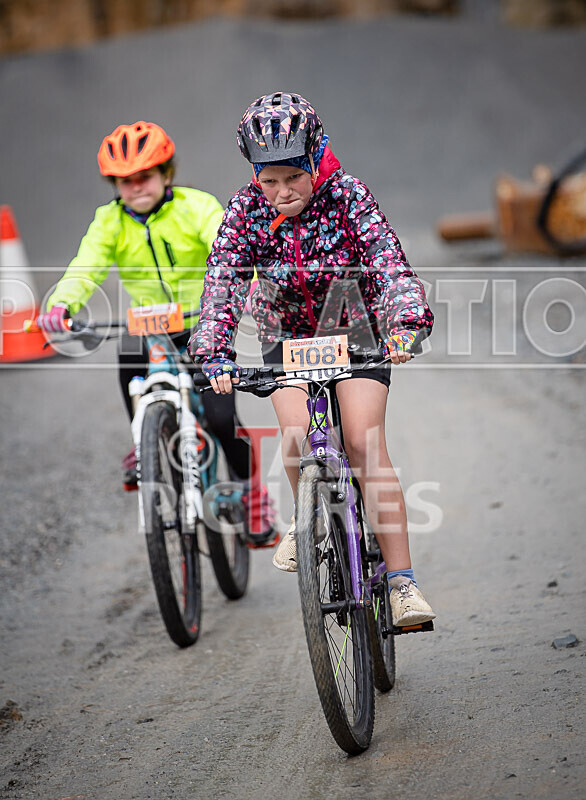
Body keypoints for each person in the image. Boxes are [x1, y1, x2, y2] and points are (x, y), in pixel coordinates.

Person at [189, 93, 435, 625]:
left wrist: (407, 321)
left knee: (363, 442)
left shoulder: (348, 195)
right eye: (267, 179)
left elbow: (387, 260)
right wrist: (214, 351)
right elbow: (224, 282)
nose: (280, 192)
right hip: (288, 336)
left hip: (357, 328)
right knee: (297, 434)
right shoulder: (245, 210)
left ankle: (401, 584)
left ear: (315, 157)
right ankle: (309, 520)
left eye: (292, 178)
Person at [36, 120, 276, 544]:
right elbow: (86, 266)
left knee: (222, 420)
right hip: (150, 325)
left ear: (166, 173)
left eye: (144, 176)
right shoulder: (109, 221)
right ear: (114, 185)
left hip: (204, 321)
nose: (135, 187)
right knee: (128, 350)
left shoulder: (196, 206)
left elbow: (230, 246)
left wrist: (253, 285)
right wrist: (61, 304)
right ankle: (143, 440)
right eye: (124, 181)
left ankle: (252, 495)